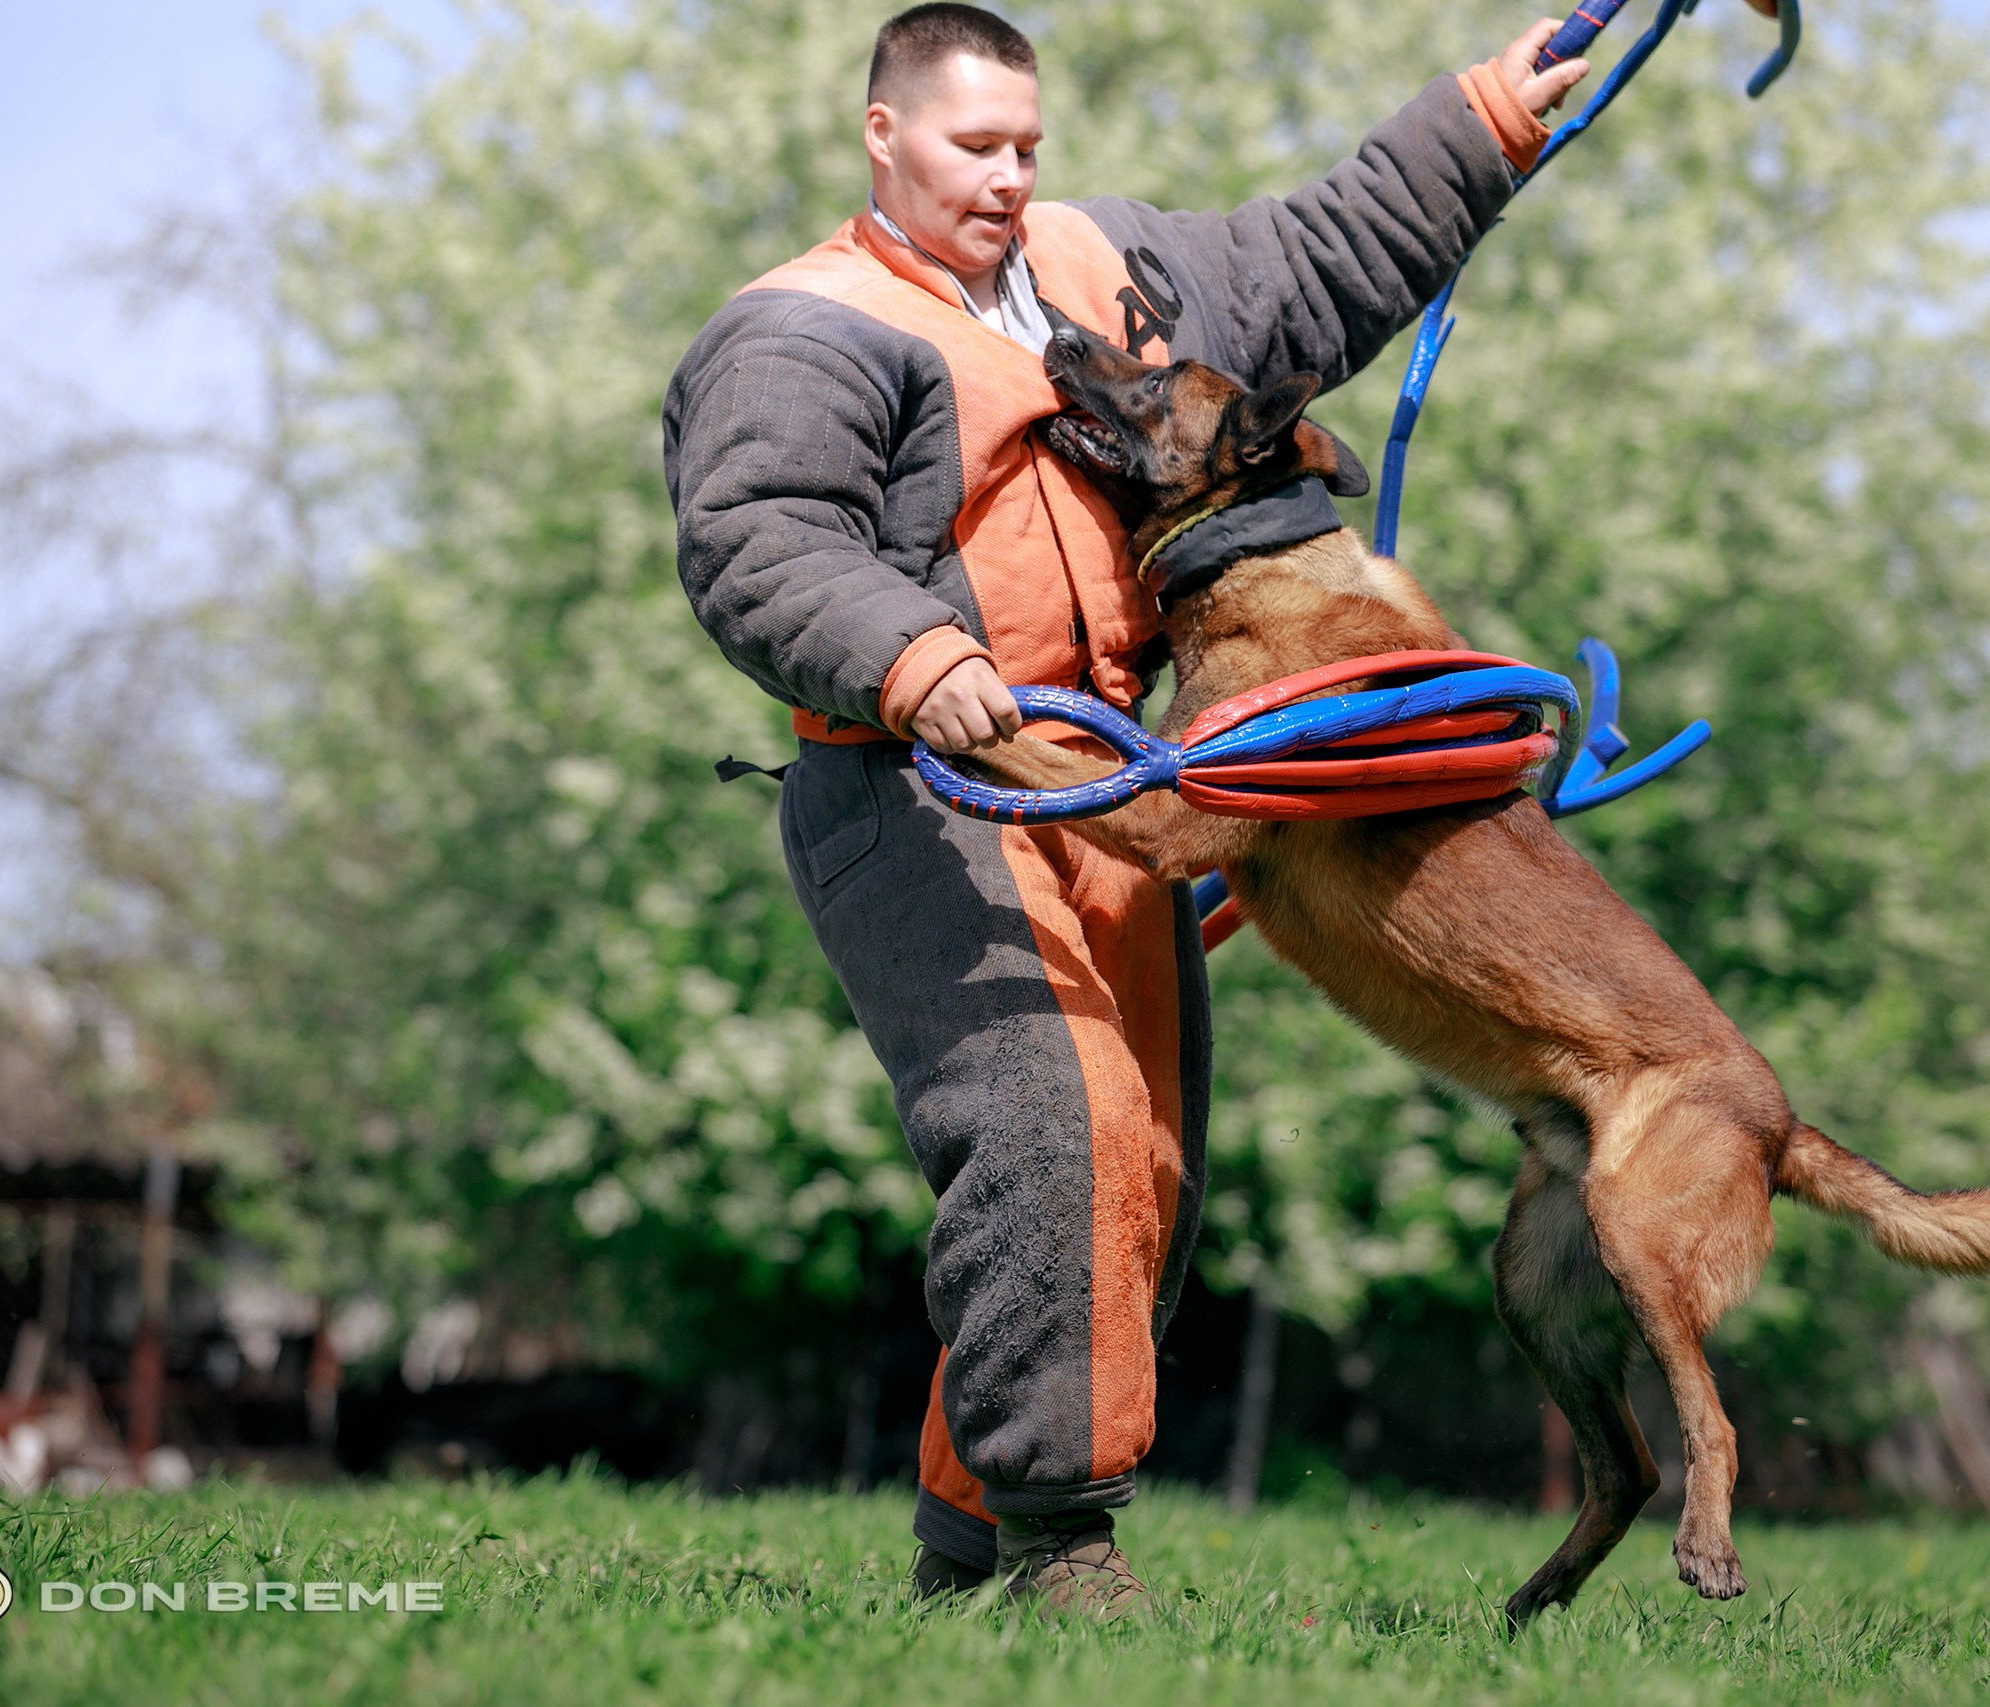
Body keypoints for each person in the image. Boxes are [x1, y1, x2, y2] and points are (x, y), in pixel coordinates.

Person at [663, 2, 1608, 1615]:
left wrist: (1488, 120)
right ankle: (1060, 1547)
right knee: (1059, 1123)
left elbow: (1321, 257)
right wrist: (909, 656)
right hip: (922, 783)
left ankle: (968, 1559)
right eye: (975, 147)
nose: (1011, 177)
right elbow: (756, 542)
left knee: (1140, 1179)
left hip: (1125, 783)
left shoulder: (1109, 266)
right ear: (883, 134)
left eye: (1028, 145)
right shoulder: (798, 331)